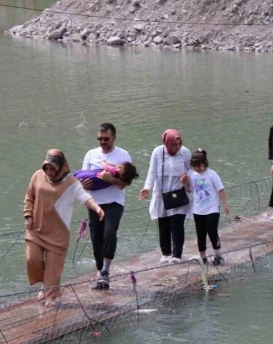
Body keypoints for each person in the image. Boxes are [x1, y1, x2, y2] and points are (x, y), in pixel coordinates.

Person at [24, 149, 104, 307]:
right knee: (32, 259)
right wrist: (28, 216)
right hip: (36, 229)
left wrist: (97, 208)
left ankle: (51, 296)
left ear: (61, 166)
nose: (49, 172)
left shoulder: (71, 183)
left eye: (53, 168)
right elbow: (29, 196)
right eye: (47, 167)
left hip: (58, 234)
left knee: (53, 268)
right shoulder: (37, 176)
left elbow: (85, 197)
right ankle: (46, 285)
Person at [80, 123, 133, 291]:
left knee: (109, 232)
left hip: (114, 202)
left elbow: (125, 184)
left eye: (106, 139)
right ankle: (100, 274)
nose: (102, 142)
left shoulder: (123, 155)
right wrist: (83, 184)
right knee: (96, 238)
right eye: (100, 139)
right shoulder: (90, 154)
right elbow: (81, 179)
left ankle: (106, 271)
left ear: (114, 138)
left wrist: (111, 180)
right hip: (94, 202)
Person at [140, 129, 191, 264]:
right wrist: (147, 188)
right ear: (167, 143)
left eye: (179, 144)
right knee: (163, 224)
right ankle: (166, 253)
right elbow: (152, 171)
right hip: (161, 193)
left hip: (178, 191)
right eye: (174, 144)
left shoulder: (185, 153)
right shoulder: (158, 152)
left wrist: (187, 177)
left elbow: (191, 169)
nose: (177, 147)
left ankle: (177, 255)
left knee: (177, 224)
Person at [185, 149, 229, 266]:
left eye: (199, 166)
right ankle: (203, 257)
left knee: (212, 232)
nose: (197, 169)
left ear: (205, 163)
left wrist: (225, 204)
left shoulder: (212, 174)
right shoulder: (192, 175)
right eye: (195, 166)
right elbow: (190, 190)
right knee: (200, 234)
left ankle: (218, 255)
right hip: (198, 210)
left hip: (212, 208)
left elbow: (221, 190)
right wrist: (184, 183)